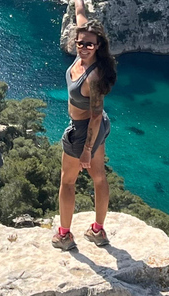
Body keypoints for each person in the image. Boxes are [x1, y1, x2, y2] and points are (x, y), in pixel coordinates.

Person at [51, 0, 117, 251]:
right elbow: (80, 13)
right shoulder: (83, 42)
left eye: (89, 44)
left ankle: (64, 236)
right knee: (99, 176)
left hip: (84, 130)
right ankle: (98, 231)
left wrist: (87, 149)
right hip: (96, 128)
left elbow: (96, 116)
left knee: (67, 182)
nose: (83, 47)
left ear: (98, 46)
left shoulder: (95, 76)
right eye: (80, 42)